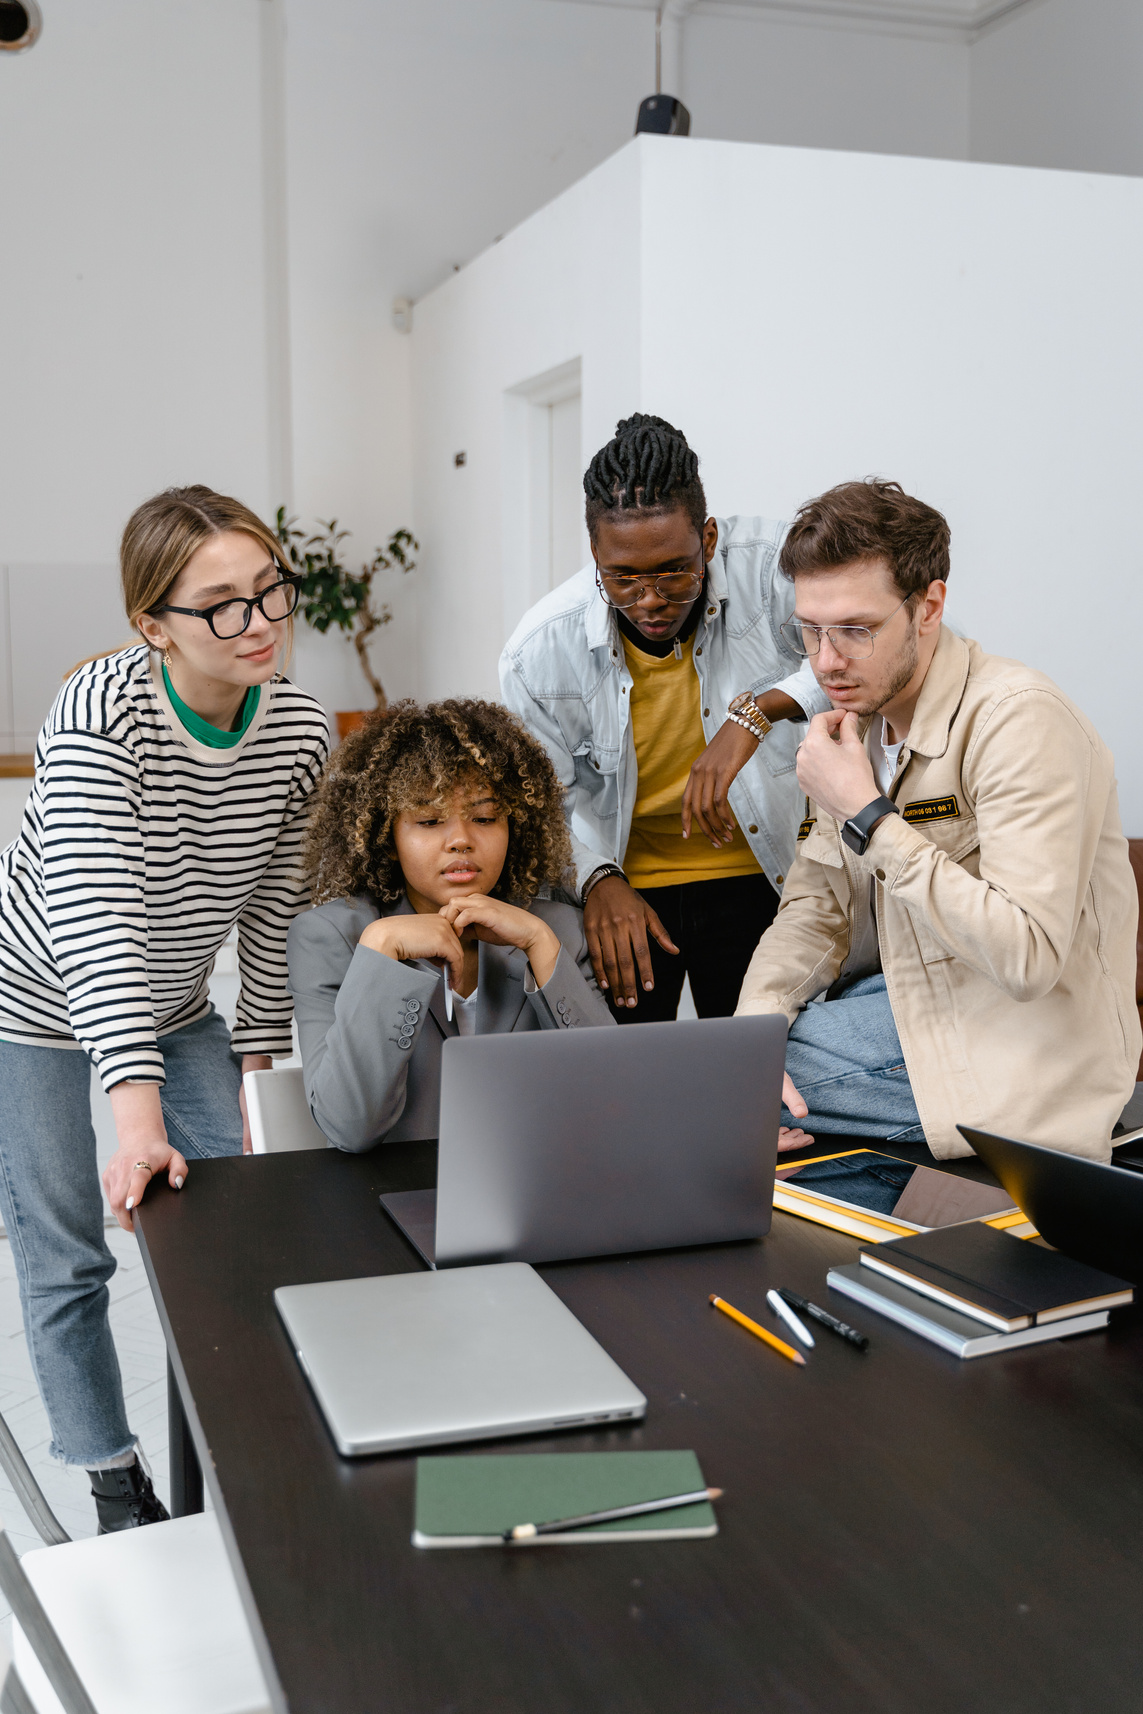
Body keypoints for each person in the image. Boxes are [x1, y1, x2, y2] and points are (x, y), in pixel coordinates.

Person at [0, 486, 329, 1529]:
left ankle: (249, 1437)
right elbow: (96, 922)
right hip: (31, 1004)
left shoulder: (300, 729)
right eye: (222, 605)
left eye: (271, 589)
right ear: (153, 625)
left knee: (248, 1205)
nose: (262, 620)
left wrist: (261, 1077)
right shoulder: (101, 714)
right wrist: (135, 1123)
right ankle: (111, 1479)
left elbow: (275, 922)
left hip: (181, 999)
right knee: (67, 1245)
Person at [735, 477, 1140, 1162]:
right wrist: (751, 1037)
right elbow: (814, 912)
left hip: (1027, 1044)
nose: (826, 661)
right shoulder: (850, 730)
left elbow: (1026, 958)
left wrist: (865, 813)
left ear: (928, 606)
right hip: (900, 1004)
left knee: (692, 1098)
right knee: (727, 1077)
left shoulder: (1018, 718)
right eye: (809, 630)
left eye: (856, 630)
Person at [499, 413, 829, 1031]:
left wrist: (757, 713)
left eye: (674, 570)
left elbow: (870, 649)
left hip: (765, 872)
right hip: (626, 889)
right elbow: (539, 804)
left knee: (764, 1081)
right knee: (628, 1091)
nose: (650, 599)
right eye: (622, 576)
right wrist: (597, 879)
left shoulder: (776, 569)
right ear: (594, 551)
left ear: (707, 540)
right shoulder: (539, 653)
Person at [288, 699, 614, 1153]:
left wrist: (540, 944)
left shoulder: (558, 929)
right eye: (428, 820)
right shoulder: (330, 938)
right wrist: (382, 948)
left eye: (484, 818)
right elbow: (349, 1127)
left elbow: (613, 1102)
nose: (461, 839)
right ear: (387, 833)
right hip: (392, 1201)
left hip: (535, 1198)